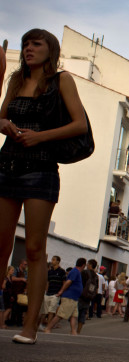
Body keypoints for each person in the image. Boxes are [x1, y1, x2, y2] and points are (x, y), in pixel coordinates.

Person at [0, 29, 89, 344]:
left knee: (35, 249)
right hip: (7, 165)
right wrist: (3, 124)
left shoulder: (61, 80)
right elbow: (0, 116)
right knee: (0, 246)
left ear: (50, 50)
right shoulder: (14, 81)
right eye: (25, 44)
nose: (28, 48)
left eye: (36, 44)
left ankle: (30, 328)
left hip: (41, 169)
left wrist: (40, 136)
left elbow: (80, 124)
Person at [44, 257, 85, 335]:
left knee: (74, 315)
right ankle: (48, 328)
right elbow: (68, 282)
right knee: (61, 314)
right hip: (69, 297)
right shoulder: (75, 271)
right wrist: (61, 291)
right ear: (83, 265)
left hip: (74, 298)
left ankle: (73, 331)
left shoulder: (76, 272)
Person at [41, 255, 66, 328]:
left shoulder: (61, 271)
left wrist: (60, 292)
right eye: (52, 259)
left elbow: (64, 282)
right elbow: (48, 282)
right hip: (48, 293)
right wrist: (46, 291)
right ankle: (40, 324)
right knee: (44, 311)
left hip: (55, 294)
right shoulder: (50, 271)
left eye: (54, 260)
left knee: (51, 311)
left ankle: (48, 326)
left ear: (58, 261)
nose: (52, 261)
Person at [77, 259, 100, 333]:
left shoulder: (84, 272)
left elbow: (80, 284)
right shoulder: (96, 276)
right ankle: (78, 331)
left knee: (75, 313)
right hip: (89, 297)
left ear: (90, 265)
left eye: (88, 264)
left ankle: (73, 330)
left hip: (81, 296)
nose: (86, 265)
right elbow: (96, 288)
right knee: (83, 314)